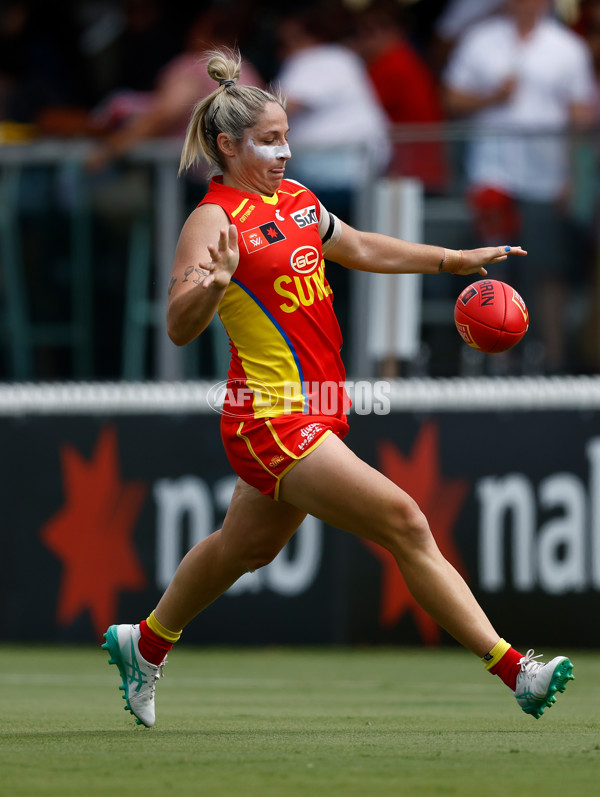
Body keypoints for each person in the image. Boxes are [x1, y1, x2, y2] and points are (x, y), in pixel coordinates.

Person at [102, 48, 574, 728]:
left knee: (246, 548)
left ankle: (143, 642)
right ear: (227, 145)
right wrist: (208, 285)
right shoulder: (214, 220)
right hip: (268, 416)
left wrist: (453, 260)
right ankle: (516, 670)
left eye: (287, 136)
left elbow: (360, 246)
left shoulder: (295, 202)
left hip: (317, 408)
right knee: (406, 520)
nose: (285, 151)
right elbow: (179, 326)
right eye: (269, 140)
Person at [442, 0, 597, 374]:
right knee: (491, 269)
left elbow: (584, 113)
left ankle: (552, 361)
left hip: (546, 180)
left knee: (546, 270)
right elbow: (450, 98)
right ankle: (494, 360)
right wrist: (493, 97)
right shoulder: (481, 39)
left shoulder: (567, 47)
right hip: (492, 174)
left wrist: (573, 178)